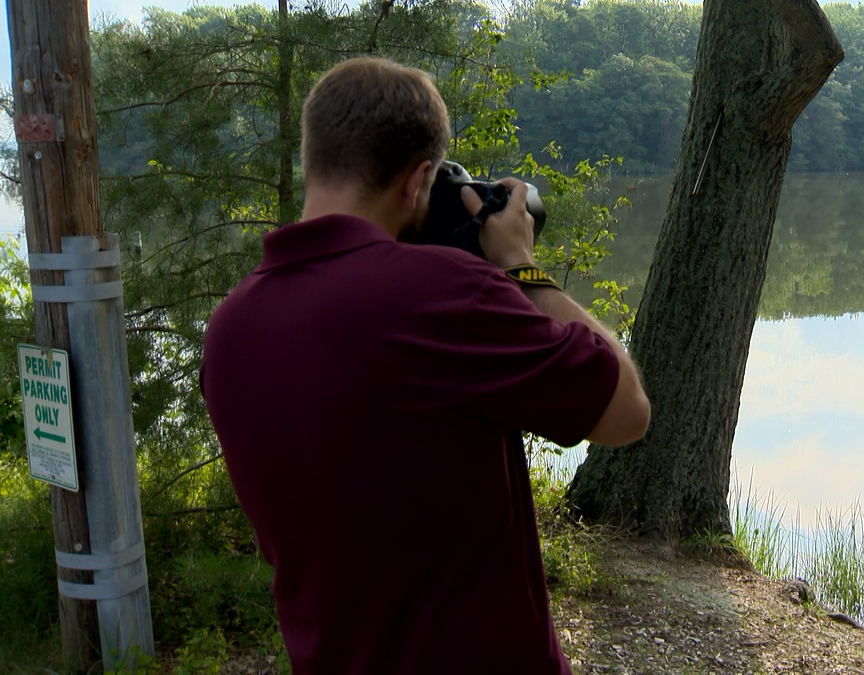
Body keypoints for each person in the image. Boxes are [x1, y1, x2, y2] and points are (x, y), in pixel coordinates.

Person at [200, 57, 651, 673]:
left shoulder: (230, 327)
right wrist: (520, 265)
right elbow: (626, 410)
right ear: (417, 181)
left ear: (314, 157)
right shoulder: (442, 292)